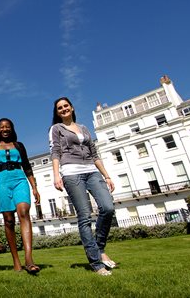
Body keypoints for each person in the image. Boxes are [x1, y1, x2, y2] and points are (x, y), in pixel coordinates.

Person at [49, 97, 116, 276]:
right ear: (57, 113)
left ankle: (100, 248)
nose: (63, 109)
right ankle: (96, 263)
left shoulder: (84, 128)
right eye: (59, 108)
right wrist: (56, 175)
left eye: (66, 106)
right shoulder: (56, 129)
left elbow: (94, 154)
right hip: (71, 172)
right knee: (84, 216)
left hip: (92, 171)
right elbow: (55, 152)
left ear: (72, 107)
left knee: (107, 208)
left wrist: (106, 175)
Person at [0, 118, 40, 273]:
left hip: (20, 179)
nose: (5, 129)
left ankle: (29, 260)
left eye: (7, 126)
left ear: (12, 129)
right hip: (2, 182)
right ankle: (16, 260)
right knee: (9, 220)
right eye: (2, 127)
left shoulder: (19, 145)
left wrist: (34, 188)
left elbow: (27, 167)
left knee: (24, 212)